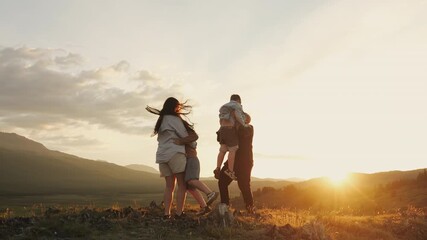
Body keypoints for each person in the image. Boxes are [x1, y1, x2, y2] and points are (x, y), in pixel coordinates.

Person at [146, 97, 191, 219]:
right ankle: (179, 213)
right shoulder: (174, 119)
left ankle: (167, 213)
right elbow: (185, 135)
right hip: (175, 153)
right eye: (178, 106)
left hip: (162, 155)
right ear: (174, 107)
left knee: (169, 186)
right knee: (182, 184)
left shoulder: (161, 120)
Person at [174, 120, 219, 216]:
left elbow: (194, 139)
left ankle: (210, 193)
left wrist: (180, 140)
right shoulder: (184, 134)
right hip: (188, 161)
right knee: (191, 188)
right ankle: (204, 207)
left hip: (192, 160)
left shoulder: (188, 135)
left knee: (192, 180)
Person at [217, 112, 255, 214]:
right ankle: (225, 208)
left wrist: (235, 124)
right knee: (222, 181)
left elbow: (243, 133)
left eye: (243, 117)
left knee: (244, 185)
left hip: (245, 162)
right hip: (232, 161)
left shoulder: (249, 128)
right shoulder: (232, 128)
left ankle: (250, 209)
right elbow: (220, 139)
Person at [216, 94, 249, 181]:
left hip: (222, 129)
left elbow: (220, 120)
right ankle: (230, 171)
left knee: (222, 150)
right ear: (238, 100)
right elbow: (237, 115)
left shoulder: (224, 106)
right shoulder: (236, 105)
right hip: (230, 129)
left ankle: (217, 168)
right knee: (233, 149)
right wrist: (244, 124)